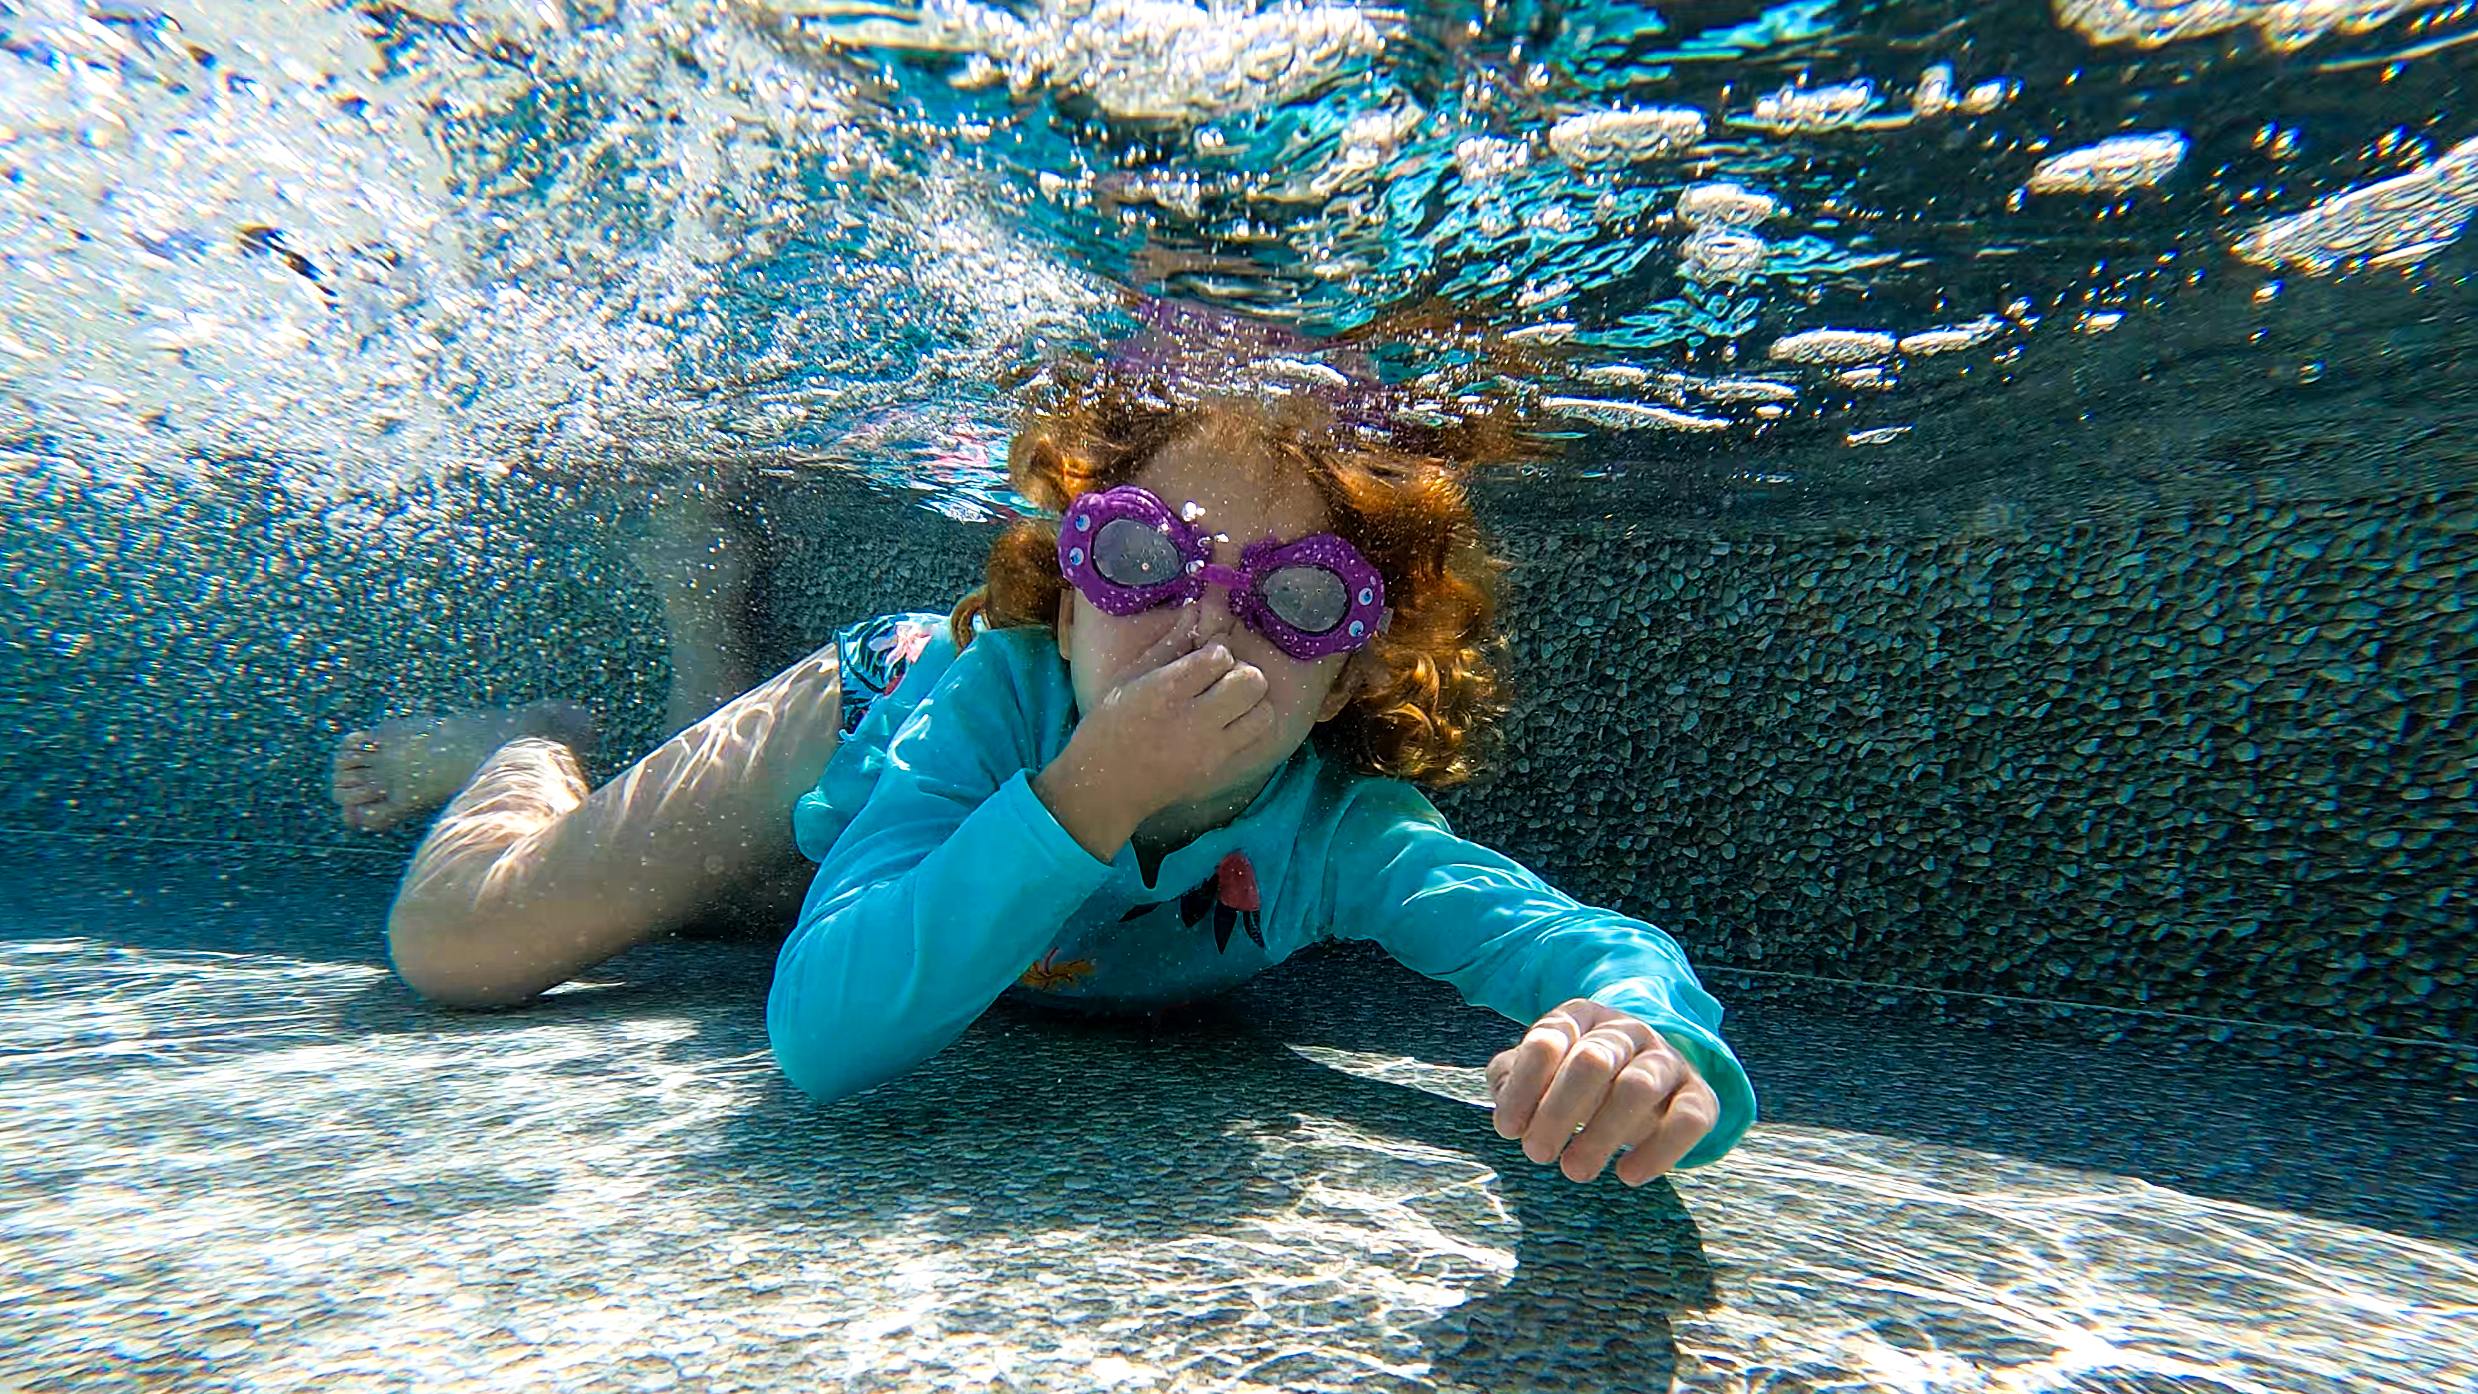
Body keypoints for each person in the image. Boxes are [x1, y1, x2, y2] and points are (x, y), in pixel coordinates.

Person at [339, 349, 1759, 1186]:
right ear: (1066, 592)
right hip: (859, 726)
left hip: (911, 878)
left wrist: (1644, 1039)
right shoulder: (990, 707)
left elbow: (1574, 944)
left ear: (1357, 667)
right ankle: (533, 739)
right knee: (458, 941)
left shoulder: (1340, 835)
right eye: (1143, 557)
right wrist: (1090, 789)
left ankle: (693, 634)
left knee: (726, 908)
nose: (1199, 621)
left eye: (1298, 596)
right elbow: (822, 1040)